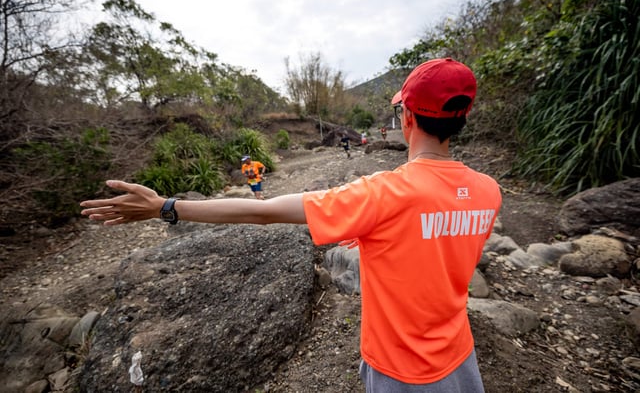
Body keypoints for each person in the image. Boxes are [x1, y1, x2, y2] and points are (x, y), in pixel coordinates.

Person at [80, 57, 502, 392]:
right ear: (460, 119)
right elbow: (436, 241)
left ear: (407, 117)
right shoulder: (488, 192)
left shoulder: (384, 194)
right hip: (461, 359)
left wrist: (165, 206)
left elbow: (263, 211)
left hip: (400, 367)